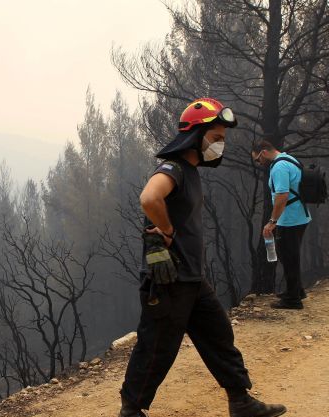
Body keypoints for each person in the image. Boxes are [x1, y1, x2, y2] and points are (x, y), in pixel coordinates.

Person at [118, 98, 287, 417]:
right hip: (169, 282)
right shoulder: (174, 168)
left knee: (219, 335)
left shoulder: (191, 171)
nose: (220, 144)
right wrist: (166, 230)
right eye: (216, 138)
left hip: (192, 279)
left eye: (222, 138)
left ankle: (240, 401)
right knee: (157, 347)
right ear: (195, 136)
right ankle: (131, 410)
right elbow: (149, 197)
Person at [252, 140, 311, 309]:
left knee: (289, 257)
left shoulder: (279, 167)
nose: (259, 163)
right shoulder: (288, 158)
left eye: (257, 159)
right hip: (299, 215)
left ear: (263, 152)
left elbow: (282, 195)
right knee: (288, 255)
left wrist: (272, 222)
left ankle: (293, 300)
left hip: (291, 219)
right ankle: (297, 290)